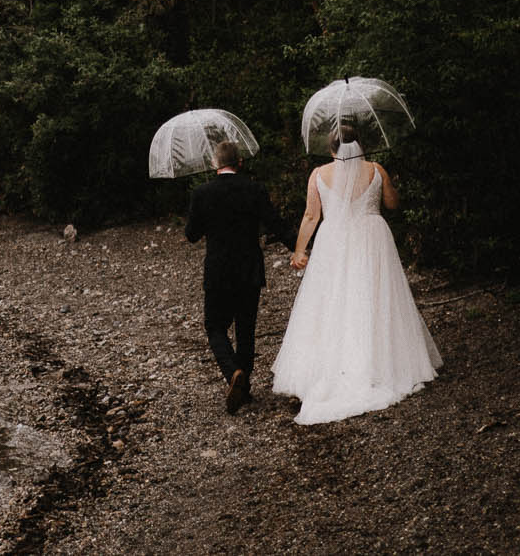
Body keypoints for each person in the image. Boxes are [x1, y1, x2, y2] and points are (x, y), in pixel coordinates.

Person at [270, 121, 443, 424]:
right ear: (360, 144)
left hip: (334, 239)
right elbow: (392, 203)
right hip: (372, 237)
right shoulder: (376, 169)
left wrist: (299, 250)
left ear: (331, 148)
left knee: (333, 300)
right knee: (374, 296)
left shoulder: (319, 174)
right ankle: (379, 363)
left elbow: (312, 215)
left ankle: (336, 367)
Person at [184, 139, 291, 414]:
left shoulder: (202, 193)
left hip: (219, 271)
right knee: (246, 329)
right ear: (240, 163)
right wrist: (299, 246)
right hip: (249, 269)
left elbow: (192, 235)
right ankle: (245, 386)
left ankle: (233, 373)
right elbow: (275, 223)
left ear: (214, 164)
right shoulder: (254, 189)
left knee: (214, 326)